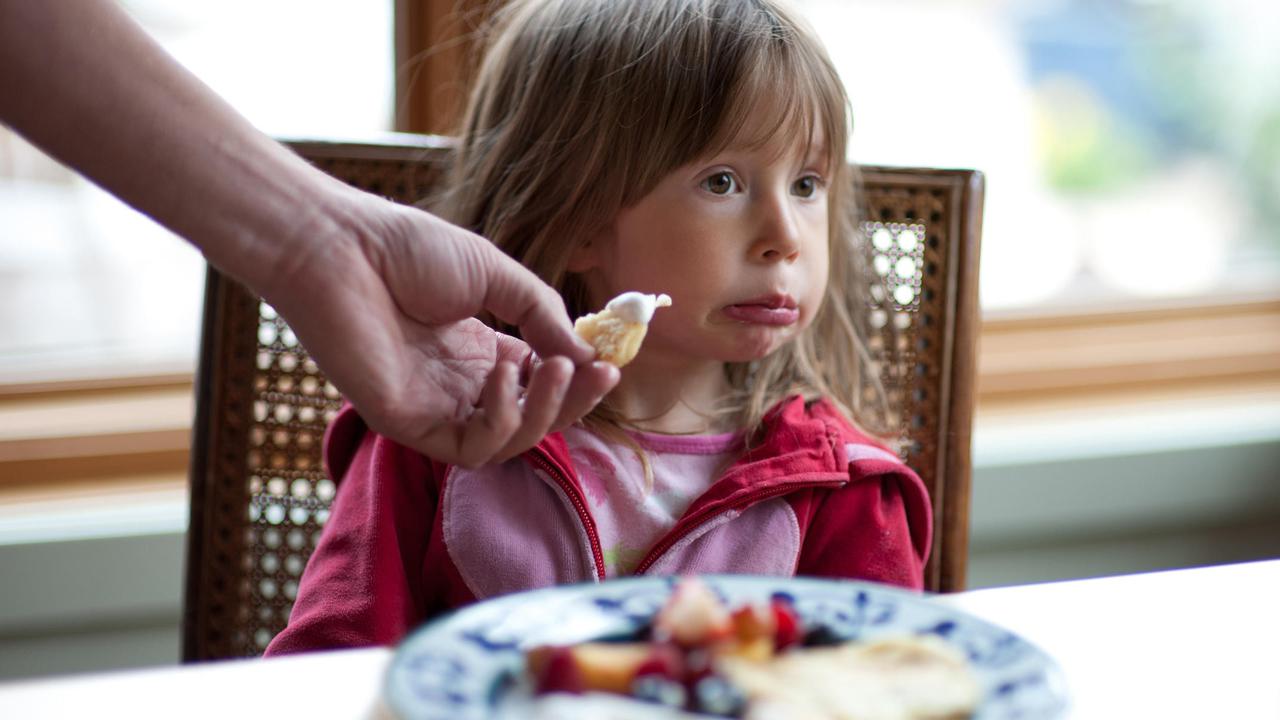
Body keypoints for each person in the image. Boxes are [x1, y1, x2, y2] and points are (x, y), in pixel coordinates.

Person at [266, 0, 932, 655]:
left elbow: (889, 690)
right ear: (578, 219)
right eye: (723, 181)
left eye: (807, 184)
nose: (785, 237)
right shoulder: (438, 436)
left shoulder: (845, 492)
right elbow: (332, 673)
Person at [0, 1, 618, 467]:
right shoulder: (436, 457)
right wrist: (317, 245)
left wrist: (318, 245)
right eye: (716, 183)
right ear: (582, 223)